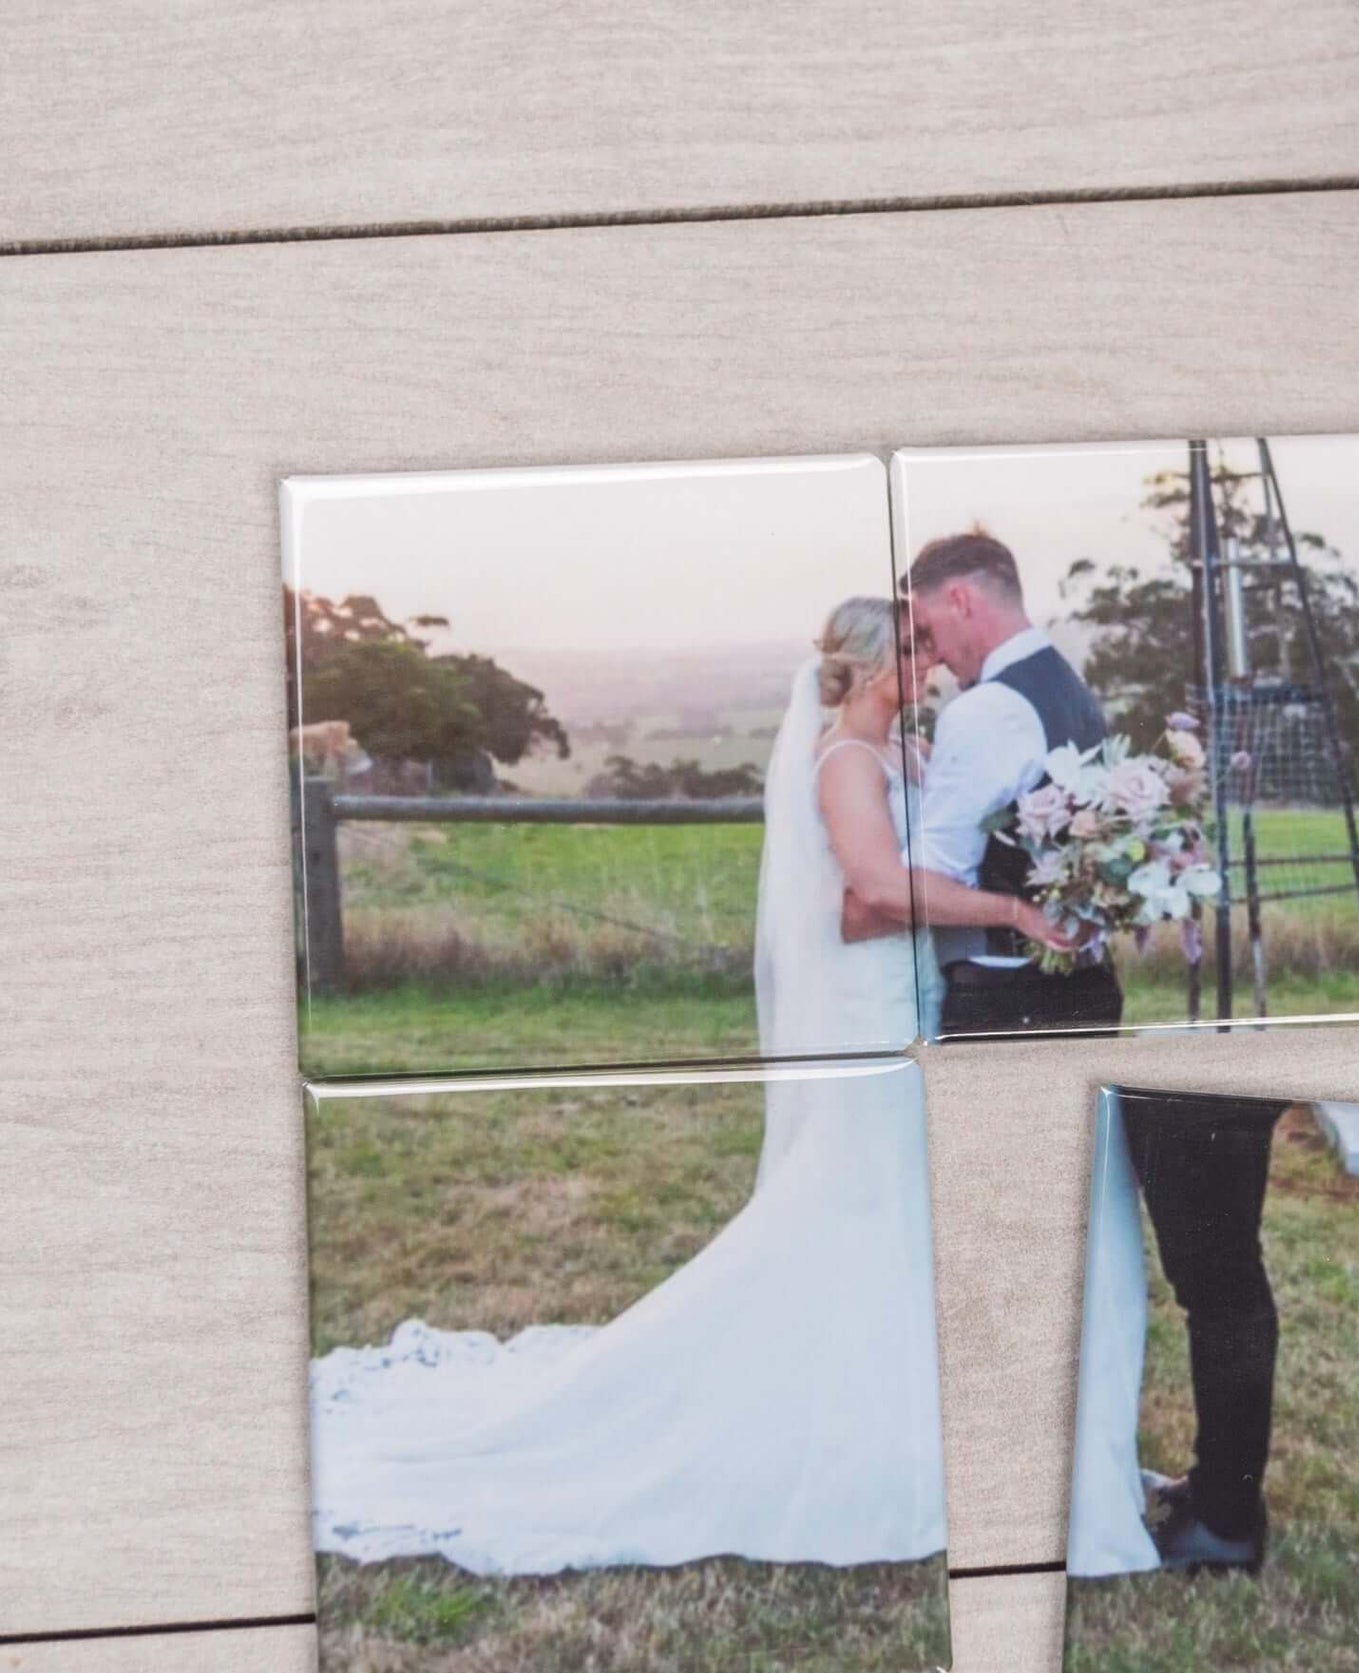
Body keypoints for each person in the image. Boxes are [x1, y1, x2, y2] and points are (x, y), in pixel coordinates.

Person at [309, 595, 1052, 1580]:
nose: (931, 666)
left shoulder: (905, 759)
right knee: (860, 1195)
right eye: (913, 652)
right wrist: (1006, 909)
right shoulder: (842, 765)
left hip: (907, 1001)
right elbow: (871, 897)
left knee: (894, 1199)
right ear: (874, 668)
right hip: (865, 1012)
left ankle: (902, 1393)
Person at [893, 531, 1123, 1038]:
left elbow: (924, 885)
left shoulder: (986, 709)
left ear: (959, 600)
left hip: (1005, 1002)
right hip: (1082, 987)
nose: (932, 656)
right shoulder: (1067, 686)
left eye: (928, 630)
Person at [1066, 1087, 1287, 1579]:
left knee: (1220, 1285)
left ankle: (1225, 1522)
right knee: (1218, 1284)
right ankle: (1219, 1492)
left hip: (1209, 1075)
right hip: (1208, 1063)